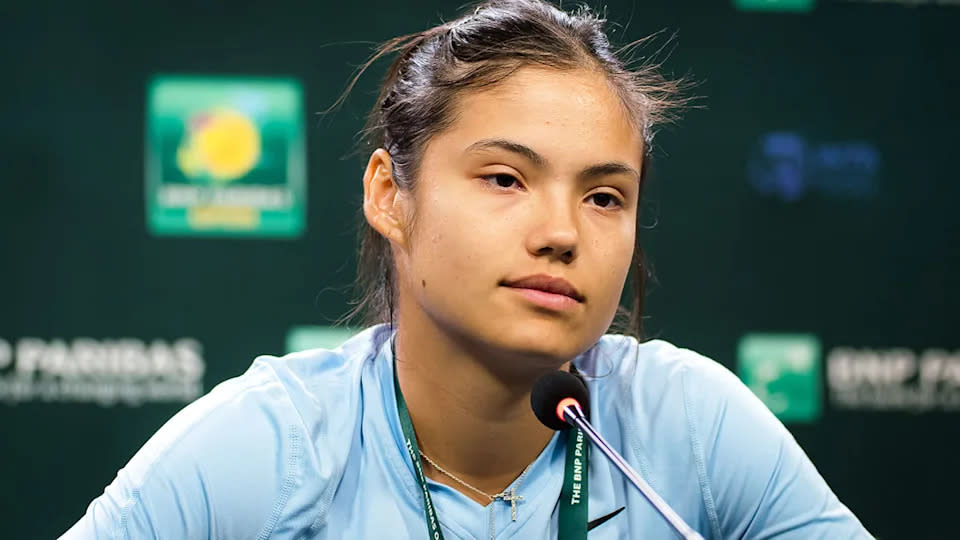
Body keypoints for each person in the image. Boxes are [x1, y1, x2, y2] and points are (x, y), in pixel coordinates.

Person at [63, 0, 871, 538]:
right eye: (505, 179)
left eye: (603, 196)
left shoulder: (690, 427)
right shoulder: (270, 449)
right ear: (390, 195)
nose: (561, 233)